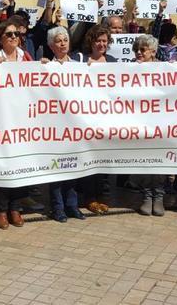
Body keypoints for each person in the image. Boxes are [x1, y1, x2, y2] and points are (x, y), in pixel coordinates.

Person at [0, 20, 33, 229]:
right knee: (5, 166)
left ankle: (16, 208)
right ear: (0, 39)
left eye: (16, 34)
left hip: (24, 121)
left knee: (21, 165)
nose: (14, 37)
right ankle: (1, 211)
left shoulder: (27, 58)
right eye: (9, 34)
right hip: (2, 121)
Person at [42, 26, 86, 223]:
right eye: (58, 41)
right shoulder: (45, 67)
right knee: (57, 168)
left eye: (65, 40)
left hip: (74, 125)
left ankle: (72, 205)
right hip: (55, 126)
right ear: (51, 46)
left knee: (74, 167)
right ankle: (58, 208)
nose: (62, 43)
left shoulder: (79, 66)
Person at [72, 25, 116, 215]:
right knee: (90, 159)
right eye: (98, 40)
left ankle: (103, 197)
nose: (101, 44)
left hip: (107, 118)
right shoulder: (80, 60)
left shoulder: (113, 62)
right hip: (86, 119)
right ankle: (89, 198)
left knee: (105, 159)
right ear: (91, 41)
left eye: (105, 41)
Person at [131, 35, 166, 216]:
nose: (138, 52)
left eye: (142, 49)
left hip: (160, 123)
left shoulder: (165, 69)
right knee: (144, 160)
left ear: (152, 52)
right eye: (136, 49)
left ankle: (158, 196)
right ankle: (146, 196)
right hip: (139, 123)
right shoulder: (128, 69)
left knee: (160, 161)